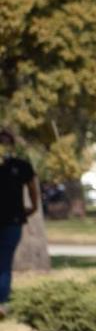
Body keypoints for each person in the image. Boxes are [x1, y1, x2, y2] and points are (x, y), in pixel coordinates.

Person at [0, 128, 40, 319]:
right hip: (12, 219)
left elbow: (32, 187)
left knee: (5, 261)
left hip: (12, 219)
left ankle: (3, 302)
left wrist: (34, 206)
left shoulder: (20, 165)